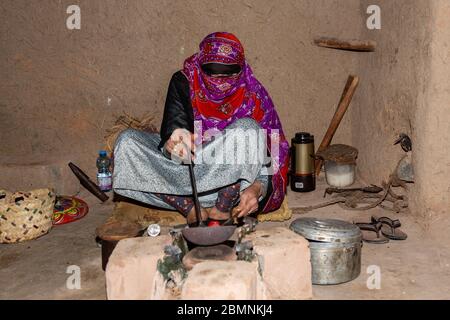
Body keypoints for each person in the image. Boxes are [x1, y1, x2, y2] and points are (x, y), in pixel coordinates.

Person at [113, 32, 289, 225]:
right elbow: (173, 130)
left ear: (241, 68)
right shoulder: (184, 81)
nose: (220, 81)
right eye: (213, 73)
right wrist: (174, 141)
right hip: (186, 175)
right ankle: (189, 207)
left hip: (234, 185)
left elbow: (270, 152)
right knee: (127, 141)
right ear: (200, 65)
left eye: (229, 74)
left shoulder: (252, 93)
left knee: (247, 128)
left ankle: (222, 207)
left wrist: (256, 188)